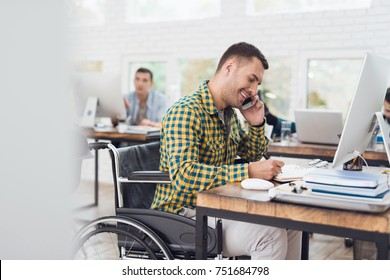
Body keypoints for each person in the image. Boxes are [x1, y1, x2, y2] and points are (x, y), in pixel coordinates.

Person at [151, 42, 301, 259]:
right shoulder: (185, 111)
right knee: (269, 235)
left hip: (215, 209)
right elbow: (184, 176)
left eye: (257, 84)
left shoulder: (229, 115)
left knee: (290, 221)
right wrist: (248, 172)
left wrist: (256, 124)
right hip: (181, 216)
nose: (254, 90)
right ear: (229, 67)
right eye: (251, 79)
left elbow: (252, 154)